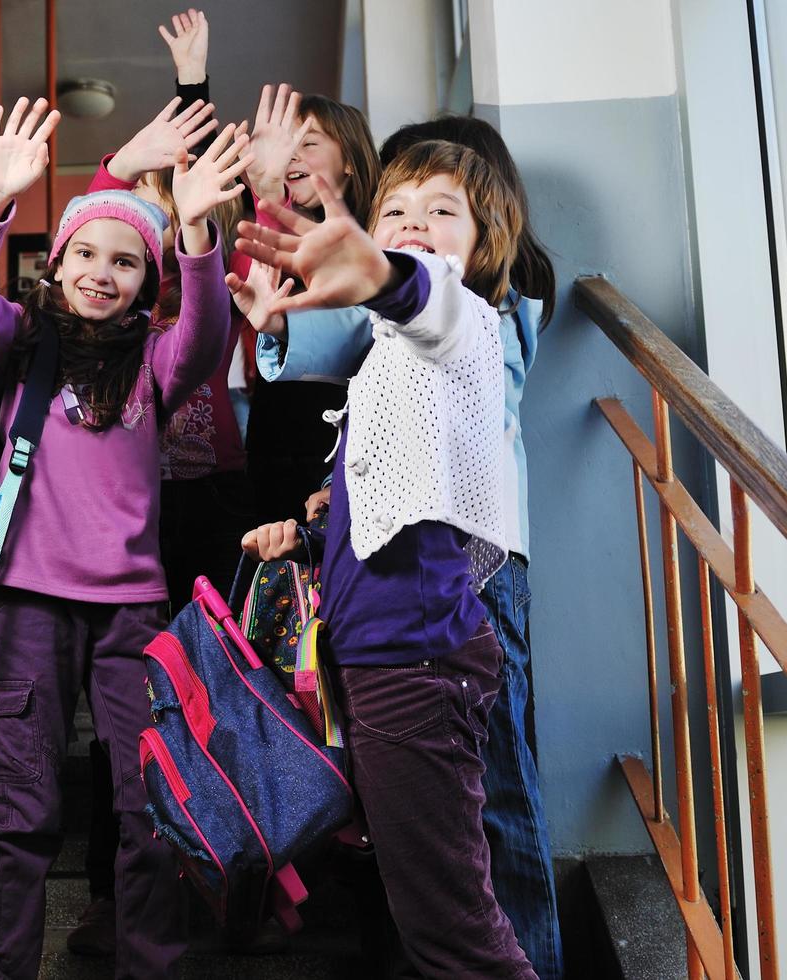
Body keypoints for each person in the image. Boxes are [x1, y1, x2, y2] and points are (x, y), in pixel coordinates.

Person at [236, 115, 563, 978]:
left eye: (442, 207)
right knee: (433, 875)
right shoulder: (381, 352)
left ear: (491, 236)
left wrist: (386, 269)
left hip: (444, 606)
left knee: (490, 820)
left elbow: (424, 303)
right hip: (384, 629)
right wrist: (315, 522)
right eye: (398, 205)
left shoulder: (477, 316)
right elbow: (341, 334)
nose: (415, 220)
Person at [0, 97, 244, 978]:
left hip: (132, 618)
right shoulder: (18, 343)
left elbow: (210, 332)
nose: (102, 273)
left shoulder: (157, 361)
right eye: (86, 255)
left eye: (126, 263)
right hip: (28, 607)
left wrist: (195, 239)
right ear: (57, 261)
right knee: (20, 815)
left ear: (148, 285)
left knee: (150, 818)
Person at [240, 84, 381, 527]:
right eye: (288, 146)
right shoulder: (268, 224)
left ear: (352, 162)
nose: (292, 156)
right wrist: (265, 190)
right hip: (274, 436)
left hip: (346, 443)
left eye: (309, 144)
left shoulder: (380, 242)